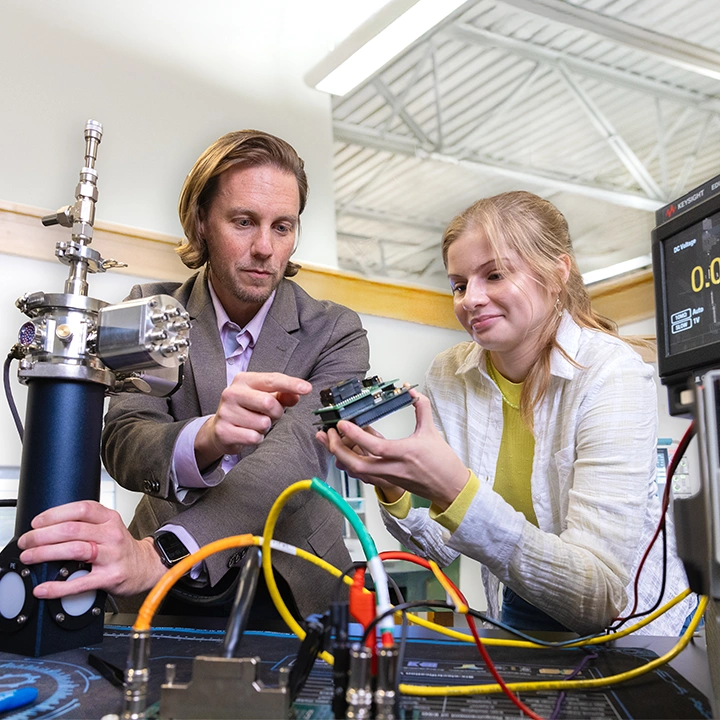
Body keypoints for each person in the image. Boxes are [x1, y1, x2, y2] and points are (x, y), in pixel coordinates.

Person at [17, 130, 369, 622]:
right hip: (160, 595)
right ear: (201, 221)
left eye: (283, 226)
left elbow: (295, 456)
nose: (265, 247)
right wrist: (205, 437)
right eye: (244, 222)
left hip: (296, 580)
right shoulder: (150, 314)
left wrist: (161, 553)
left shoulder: (335, 331)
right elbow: (124, 439)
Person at [318, 190, 693, 636]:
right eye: (458, 284)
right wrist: (389, 482)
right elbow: (437, 547)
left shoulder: (612, 374)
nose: (469, 299)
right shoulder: (451, 373)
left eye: (493, 275)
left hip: (633, 623)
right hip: (520, 601)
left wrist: (455, 489)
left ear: (556, 275)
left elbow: (599, 596)